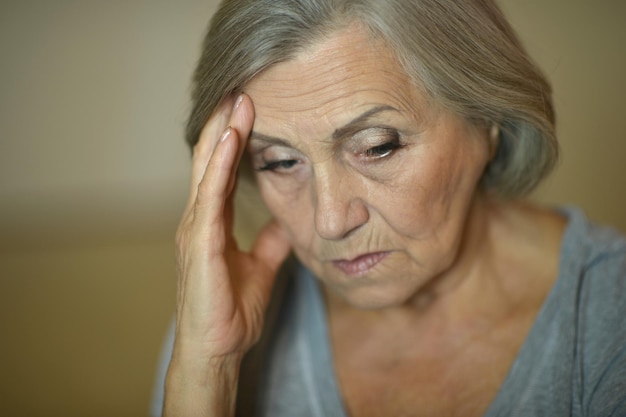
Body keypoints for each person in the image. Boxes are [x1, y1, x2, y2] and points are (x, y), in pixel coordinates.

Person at [152, 0, 626, 416]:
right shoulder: (217, 322)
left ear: (487, 119)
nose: (331, 221)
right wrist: (208, 368)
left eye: (377, 147)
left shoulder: (610, 319)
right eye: (279, 161)